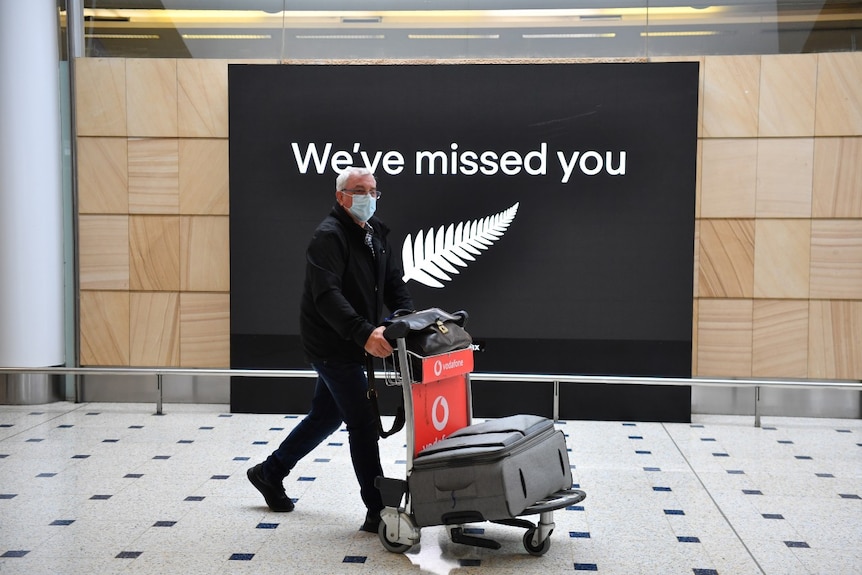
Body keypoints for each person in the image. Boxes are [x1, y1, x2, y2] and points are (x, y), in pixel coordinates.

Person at [247, 166, 414, 534]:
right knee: (363, 423)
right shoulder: (328, 237)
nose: (367, 197)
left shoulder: (376, 234)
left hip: (355, 340)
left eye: (373, 191)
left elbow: (393, 283)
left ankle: (269, 472)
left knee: (326, 416)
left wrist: (403, 314)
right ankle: (378, 511)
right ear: (340, 196)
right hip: (331, 344)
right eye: (359, 190)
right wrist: (365, 332)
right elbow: (327, 297)